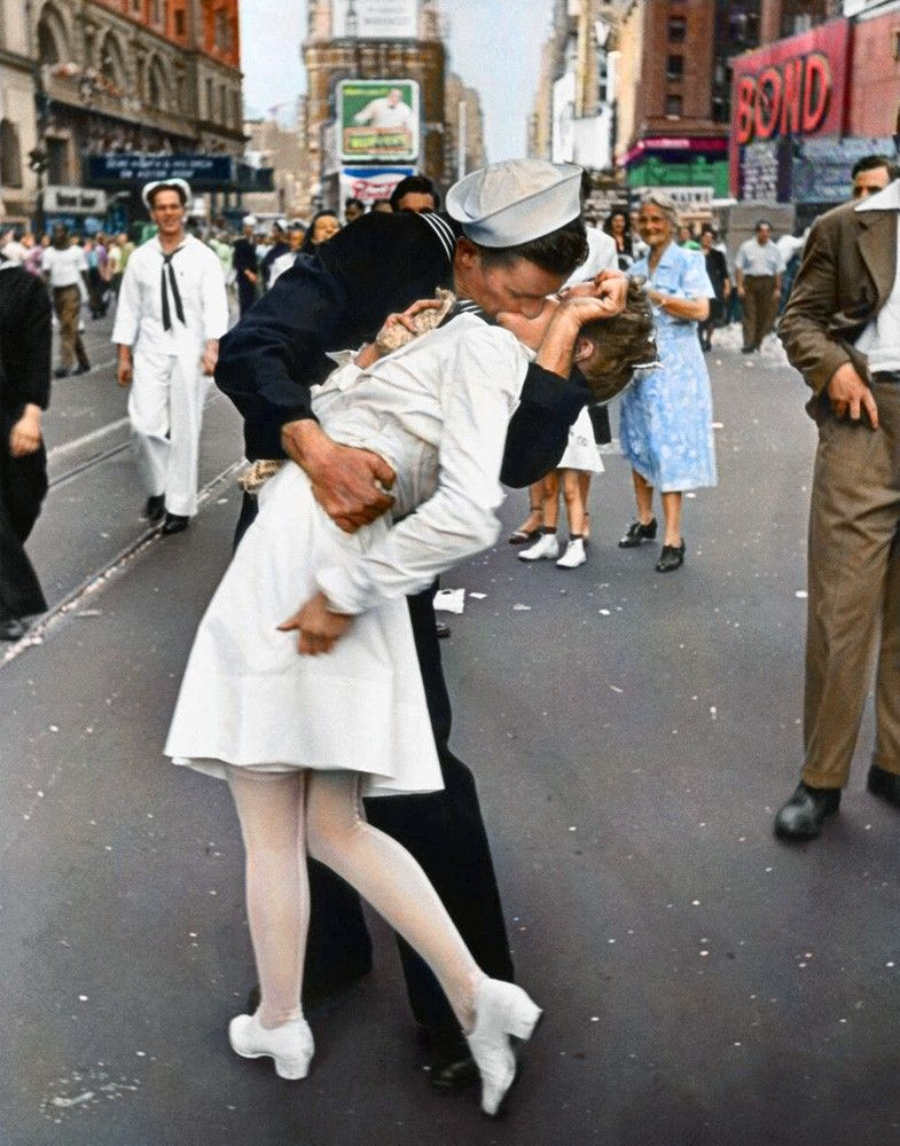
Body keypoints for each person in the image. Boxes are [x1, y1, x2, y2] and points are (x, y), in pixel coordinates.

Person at [165, 278, 652, 1112]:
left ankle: (314, 1012)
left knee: (292, 818)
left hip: (322, 554)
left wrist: (559, 325)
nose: (513, 293)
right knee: (328, 824)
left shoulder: (500, 357)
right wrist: (377, 357)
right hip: (333, 548)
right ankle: (459, 996)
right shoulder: (480, 339)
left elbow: (500, 472)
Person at [774, 172, 900, 841]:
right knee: (842, 609)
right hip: (869, 416)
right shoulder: (848, 225)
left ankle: (895, 764)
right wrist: (833, 367)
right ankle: (820, 779)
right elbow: (798, 318)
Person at [112, 179, 229, 535]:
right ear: (153, 213)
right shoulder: (141, 258)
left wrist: (212, 348)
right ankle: (159, 488)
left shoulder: (203, 257)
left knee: (185, 428)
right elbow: (128, 309)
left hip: (189, 351)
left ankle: (179, 506)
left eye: (173, 206)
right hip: (150, 349)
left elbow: (216, 306)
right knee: (144, 426)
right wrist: (123, 356)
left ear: (184, 210)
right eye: (161, 207)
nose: (168, 213)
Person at [618, 191, 717, 573]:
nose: (649, 227)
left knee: (669, 445)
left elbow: (700, 310)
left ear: (671, 223)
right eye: (644, 220)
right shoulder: (637, 265)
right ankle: (646, 519)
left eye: (656, 220)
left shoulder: (690, 260)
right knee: (639, 439)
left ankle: (674, 537)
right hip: (641, 364)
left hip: (677, 366)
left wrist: (654, 296)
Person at [0, 247, 51, 640]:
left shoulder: (24, 286)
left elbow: (36, 356)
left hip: (11, 409)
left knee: (24, 496)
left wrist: (31, 414)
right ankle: (7, 604)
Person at [41, 223, 91, 379]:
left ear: (67, 233)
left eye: (60, 231)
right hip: (57, 292)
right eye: (55, 231)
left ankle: (65, 364)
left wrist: (91, 294)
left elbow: (84, 272)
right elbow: (46, 274)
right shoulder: (48, 252)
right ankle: (84, 363)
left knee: (66, 327)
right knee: (71, 329)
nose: (57, 235)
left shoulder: (77, 251)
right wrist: (42, 293)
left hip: (72, 292)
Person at [734, 220, 786, 353]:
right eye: (762, 231)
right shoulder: (746, 247)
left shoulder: (774, 249)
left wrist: (778, 289)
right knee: (750, 314)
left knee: (765, 314)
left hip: (768, 283)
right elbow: (739, 267)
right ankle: (748, 343)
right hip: (751, 282)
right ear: (757, 232)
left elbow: (779, 270)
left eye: (767, 231)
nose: (765, 234)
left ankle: (758, 342)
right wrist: (739, 286)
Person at [697, 225, 731, 352]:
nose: (708, 240)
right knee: (700, 315)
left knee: (712, 316)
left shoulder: (718, 254)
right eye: (706, 237)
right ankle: (699, 337)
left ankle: (708, 339)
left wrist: (726, 286)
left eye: (710, 238)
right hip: (698, 288)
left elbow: (724, 273)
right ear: (701, 238)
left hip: (713, 287)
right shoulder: (694, 254)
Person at [233, 216, 260, 316]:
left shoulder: (255, 243)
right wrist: (248, 273)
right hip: (244, 278)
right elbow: (237, 261)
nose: (250, 229)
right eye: (248, 227)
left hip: (255, 278)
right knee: (245, 304)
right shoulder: (239, 243)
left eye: (252, 227)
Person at [269, 221, 308, 287]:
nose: (298, 243)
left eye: (300, 239)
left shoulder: (313, 260)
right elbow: (273, 285)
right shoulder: (280, 261)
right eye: (293, 239)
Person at [603, 206, 635, 271]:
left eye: (621, 221)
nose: (619, 224)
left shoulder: (628, 239)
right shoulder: (606, 239)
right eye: (615, 221)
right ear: (610, 222)